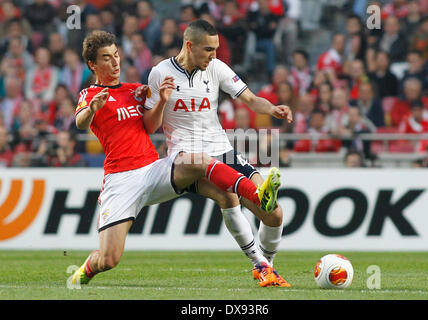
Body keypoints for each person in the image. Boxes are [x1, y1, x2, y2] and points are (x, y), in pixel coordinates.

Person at [70, 30, 281, 288]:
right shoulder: (90, 95)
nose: (115, 63)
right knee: (108, 259)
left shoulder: (136, 91)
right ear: (92, 64)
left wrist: (162, 101)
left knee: (202, 167)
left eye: (116, 55)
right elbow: (80, 123)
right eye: (106, 58)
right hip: (121, 180)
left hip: (154, 169)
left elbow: (149, 127)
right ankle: (85, 270)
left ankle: (259, 228)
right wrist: (92, 109)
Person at [143, 20, 292, 287]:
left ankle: (268, 267)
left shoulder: (217, 68)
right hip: (187, 158)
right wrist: (163, 100)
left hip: (222, 150)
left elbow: (250, 99)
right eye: (208, 49)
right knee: (228, 195)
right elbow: (149, 126)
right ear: (189, 46)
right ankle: (259, 264)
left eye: (216, 49)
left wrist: (272, 109)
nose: (214, 55)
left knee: (275, 214)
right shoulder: (159, 73)